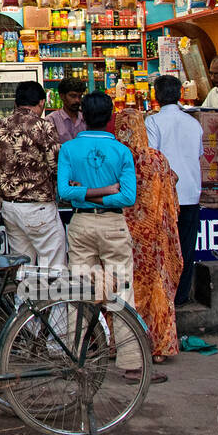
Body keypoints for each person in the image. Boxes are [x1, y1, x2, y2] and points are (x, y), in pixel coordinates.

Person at [57, 93, 159, 383]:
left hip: (80, 223)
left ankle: (76, 357)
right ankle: (131, 364)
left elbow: (65, 192)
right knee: (122, 294)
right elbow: (127, 196)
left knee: (80, 293)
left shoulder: (69, 149)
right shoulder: (122, 152)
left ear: (83, 116)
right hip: (113, 224)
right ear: (111, 116)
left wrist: (85, 192)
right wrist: (105, 191)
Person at [115, 108, 183, 364]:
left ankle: (122, 345)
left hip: (124, 236)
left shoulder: (117, 158)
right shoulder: (157, 159)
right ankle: (158, 348)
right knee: (157, 289)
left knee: (123, 289)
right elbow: (173, 184)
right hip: (154, 238)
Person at [0, 80, 67, 269]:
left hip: (10, 208)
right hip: (38, 207)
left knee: (22, 265)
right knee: (53, 263)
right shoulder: (43, 127)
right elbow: (56, 165)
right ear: (41, 103)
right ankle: (49, 299)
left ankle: (22, 298)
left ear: (16, 103)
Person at [145, 74, 204, 306]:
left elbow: (152, 157)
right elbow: (198, 155)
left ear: (157, 96)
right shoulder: (193, 123)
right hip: (190, 191)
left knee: (164, 246)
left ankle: (165, 296)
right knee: (186, 248)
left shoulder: (153, 122)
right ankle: (180, 296)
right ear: (179, 94)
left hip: (165, 194)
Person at [46, 77, 87, 143]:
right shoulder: (51, 120)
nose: (77, 100)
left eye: (80, 96)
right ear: (62, 96)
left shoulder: (86, 119)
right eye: (73, 96)